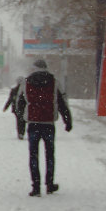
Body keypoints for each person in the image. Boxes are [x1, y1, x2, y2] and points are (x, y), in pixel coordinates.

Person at [18, 59, 72, 197]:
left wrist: (21, 122)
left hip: (33, 123)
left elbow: (20, 103)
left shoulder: (26, 82)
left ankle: (36, 186)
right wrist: (67, 120)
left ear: (34, 68)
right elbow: (61, 102)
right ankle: (49, 184)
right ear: (46, 68)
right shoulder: (54, 82)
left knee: (33, 155)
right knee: (49, 155)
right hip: (48, 123)